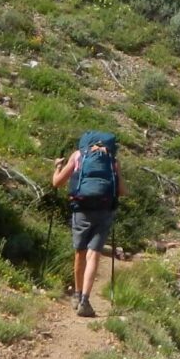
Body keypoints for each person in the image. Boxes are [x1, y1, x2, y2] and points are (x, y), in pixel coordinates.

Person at [51, 132, 126, 317]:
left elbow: (57, 183)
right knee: (94, 255)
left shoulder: (78, 155)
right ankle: (85, 299)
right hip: (104, 211)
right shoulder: (112, 161)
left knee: (80, 252)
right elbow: (123, 191)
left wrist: (57, 167)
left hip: (81, 209)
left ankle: (76, 295)